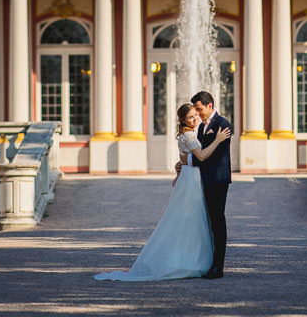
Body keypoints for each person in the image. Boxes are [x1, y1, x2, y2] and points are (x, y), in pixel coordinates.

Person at [94, 102, 231, 281]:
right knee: (191, 220)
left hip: (190, 179)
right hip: (191, 181)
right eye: (190, 116)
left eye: (195, 115)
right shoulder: (189, 135)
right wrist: (218, 140)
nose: (195, 118)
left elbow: (189, 158)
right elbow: (202, 156)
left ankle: (192, 260)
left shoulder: (189, 133)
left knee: (191, 221)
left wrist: (182, 164)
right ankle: (189, 262)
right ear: (182, 120)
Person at [190, 90, 231, 279]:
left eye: (199, 109)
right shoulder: (200, 127)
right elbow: (201, 156)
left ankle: (218, 267)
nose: (197, 114)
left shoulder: (223, 124)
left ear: (210, 106)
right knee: (207, 222)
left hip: (217, 180)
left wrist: (200, 158)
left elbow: (216, 156)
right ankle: (209, 263)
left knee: (217, 221)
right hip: (203, 180)